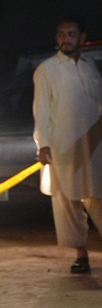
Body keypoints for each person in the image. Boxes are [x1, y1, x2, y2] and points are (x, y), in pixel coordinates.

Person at [33, 16, 102, 274]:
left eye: (71, 34)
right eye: (61, 34)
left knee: (98, 196)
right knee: (69, 201)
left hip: (94, 145)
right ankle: (81, 255)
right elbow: (41, 110)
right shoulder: (46, 69)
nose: (66, 39)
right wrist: (44, 144)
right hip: (63, 146)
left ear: (82, 38)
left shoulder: (90, 66)